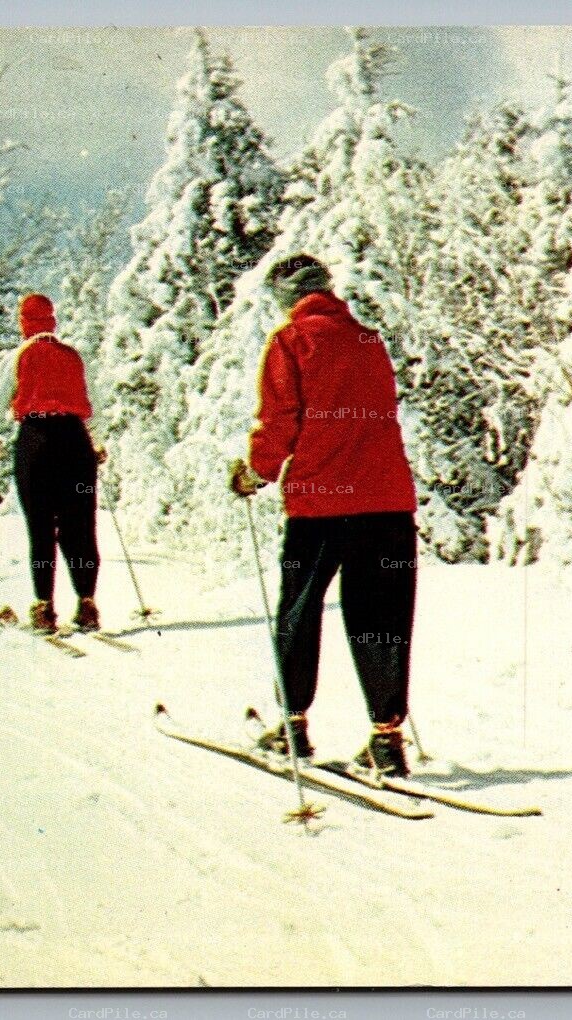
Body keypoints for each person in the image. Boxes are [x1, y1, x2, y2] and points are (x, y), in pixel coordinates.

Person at [229, 254, 420, 777]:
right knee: (381, 619)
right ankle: (386, 740)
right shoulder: (369, 340)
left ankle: (293, 727)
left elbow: (279, 420)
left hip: (322, 502)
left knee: (300, 610)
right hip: (386, 501)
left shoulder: (290, 342)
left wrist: (255, 472)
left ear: (287, 298)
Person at [0, 293, 104, 635]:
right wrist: (98, 441)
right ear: (52, 321)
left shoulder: (17, 356)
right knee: (80, 524)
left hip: (37, 441)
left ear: (24, 324)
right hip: (76, 442)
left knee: (41, 525)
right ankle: (87, 603)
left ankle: (44, 607)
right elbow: (96, 402)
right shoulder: (75, 356)